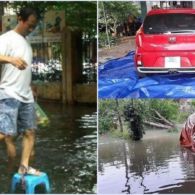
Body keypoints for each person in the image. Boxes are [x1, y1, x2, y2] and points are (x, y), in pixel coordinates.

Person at [0, 7, 40, 175]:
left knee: (30, 132)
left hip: (26, 96)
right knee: (4, 134)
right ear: (19, 19)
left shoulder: (26, 42)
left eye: (34, 26)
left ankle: (24, 167)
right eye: (29, 25)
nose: (30, 29)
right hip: (9, 93)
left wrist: (29, 86)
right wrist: (9, 59)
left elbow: (24, 70)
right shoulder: (6, 38)